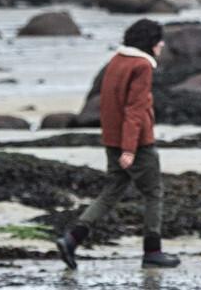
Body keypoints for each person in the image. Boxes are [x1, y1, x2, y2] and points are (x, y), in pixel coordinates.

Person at [55, 18, 180, 269]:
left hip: (112, 138)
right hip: (136, 143)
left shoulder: (116, 60)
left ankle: (71, 239)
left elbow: (109, 104)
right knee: (153, 193)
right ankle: (152, 252)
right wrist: (129, 149)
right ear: (150, 42)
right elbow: (135, 109)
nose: (162, 45)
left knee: (110, 193)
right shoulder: (142, 66)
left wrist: (117, 144)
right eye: (159, 40)